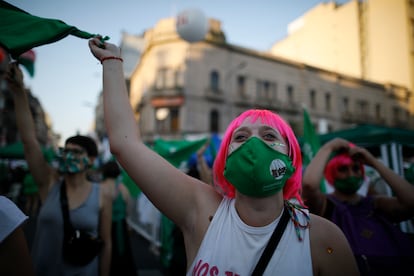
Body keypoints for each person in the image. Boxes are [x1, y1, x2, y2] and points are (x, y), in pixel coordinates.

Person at [88, 37, 359, 275]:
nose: (253, 143)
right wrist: (112, 62)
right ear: (225, 160)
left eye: (269, 136)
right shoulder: (200, 209)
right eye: (240, 137)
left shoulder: (324, 239)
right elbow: (127, 146)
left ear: (290, 158)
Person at [7, 62, 112, 276]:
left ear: (91, 160)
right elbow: (30, 142)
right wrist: (19, 92)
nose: (68, 156)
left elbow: (106, 243)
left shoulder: (103, 195)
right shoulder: (49, 183)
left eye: (77, 152)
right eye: (67, 150)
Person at [302, 137, 414, 275]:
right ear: (331, 173)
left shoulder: (376, 204)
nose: (351, 174)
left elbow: (411, 202)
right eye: (343, 169)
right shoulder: (326, 205)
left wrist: (373, 162)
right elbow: (309, 185)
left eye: (356, 168)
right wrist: (328, 147)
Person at [101, 160, 136, 276]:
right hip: (121, 227)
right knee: (123, 257)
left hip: (104, 226)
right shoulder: (123, 189)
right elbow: (128, 209)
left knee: (105, 255)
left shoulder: (101, 188)